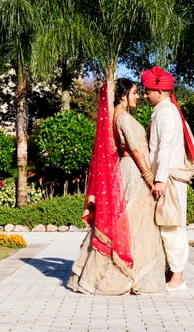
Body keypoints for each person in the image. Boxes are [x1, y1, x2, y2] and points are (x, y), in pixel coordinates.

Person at [67, 79, 166, 294]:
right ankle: (130, 275)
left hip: (123, 169)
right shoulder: (125, 119)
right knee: (135, 223)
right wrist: (151, 180)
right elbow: (138, 151)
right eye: (134, 92)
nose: (138, 96)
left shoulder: (114, 117)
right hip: (133, 172)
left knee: (121, 222)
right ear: (122, 96)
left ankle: (102, 273)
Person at [141, 66, 194, 292]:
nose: (144, 94)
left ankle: (177, 278)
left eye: (148, 90)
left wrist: (159, 179)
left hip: (168, 179)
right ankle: (172, 274)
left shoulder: (167, 113)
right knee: (167, 225)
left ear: (160, 91)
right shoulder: (165, 111)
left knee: (171, 226)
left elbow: (165, 148)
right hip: (166, 177)